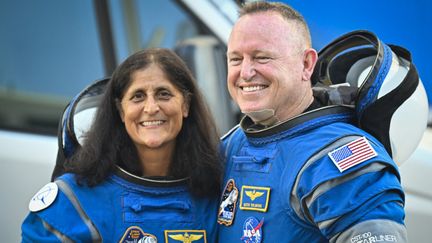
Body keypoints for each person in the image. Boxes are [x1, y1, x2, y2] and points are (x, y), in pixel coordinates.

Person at [217, 1, 408, 242]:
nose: (245, 72)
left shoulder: (343, 160)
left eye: (261, 57)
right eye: (235, 59)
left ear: (306, 64)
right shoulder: (234, 142)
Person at [21, 48, 222, 242]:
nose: (151, 108)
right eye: (138, 96)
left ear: (185, 105)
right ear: (120, 110)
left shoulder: (215, 193)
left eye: (164, 94)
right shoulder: (74, 201)